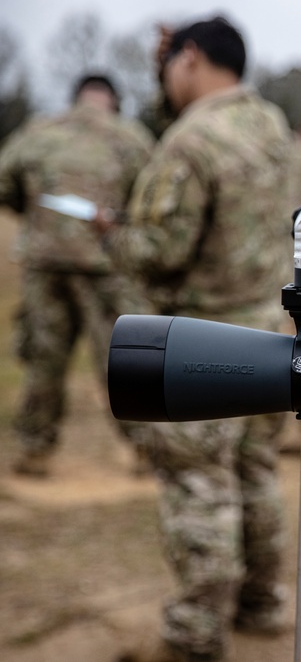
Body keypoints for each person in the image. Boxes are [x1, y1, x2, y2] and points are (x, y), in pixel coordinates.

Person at [97, 16, 293, 662]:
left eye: (171, 66)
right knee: (256, 471)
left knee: (197, 482)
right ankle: (262, 602)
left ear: (189, 59)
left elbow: (158, 251)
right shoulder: (270, 126)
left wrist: (115, 233)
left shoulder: (190, 142)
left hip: (202, 343)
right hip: (270, 330)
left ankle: (196, 631)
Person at [0, 74, 155, 477]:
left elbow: (4, 182)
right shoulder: (130, 136)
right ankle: (143, 448)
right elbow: (151, 197)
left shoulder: (38, 132)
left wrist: (35, 215)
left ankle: (35, 450)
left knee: (43, 359)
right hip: (105, 266)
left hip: (44, 261)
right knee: (122, 360)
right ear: (112, 100)